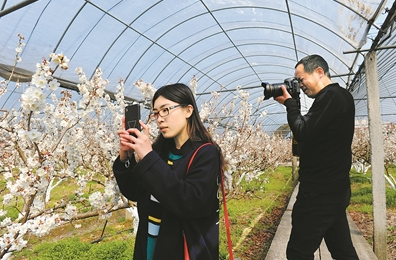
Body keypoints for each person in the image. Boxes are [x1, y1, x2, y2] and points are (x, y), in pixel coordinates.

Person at [113, 83, 224, 260]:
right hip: (149, 243)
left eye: (165, 110)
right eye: (156, 113)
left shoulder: (206, 153)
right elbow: (134, 192)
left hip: (180, 248)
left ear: (188, 111)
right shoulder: (159, 152)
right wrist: (126, 158)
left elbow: (189, 203)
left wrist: (148, 157)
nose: (159, 118)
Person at [275, 54, 359, 260]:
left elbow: (302, 131)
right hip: (333, 189)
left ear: (319, 72)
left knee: (298, 252)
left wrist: (290, 104)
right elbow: (312, 136)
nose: (300, 85)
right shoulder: (335, 98)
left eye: (301, 79)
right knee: (342, 250)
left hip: (319, 193)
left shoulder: (331, 97)